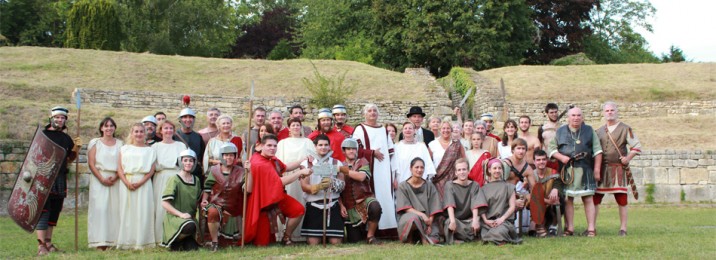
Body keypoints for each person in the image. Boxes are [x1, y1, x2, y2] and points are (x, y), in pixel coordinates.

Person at [244, 134, 312, 246]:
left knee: (298, 210)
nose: (272, 148)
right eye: (269, 145)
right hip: (264, 203)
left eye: (275, 146)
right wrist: (300, 172)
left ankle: (286, 237)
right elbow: (280, 182)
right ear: (261, 146)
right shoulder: (260, 163)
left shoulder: (272, 159)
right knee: (262, 244)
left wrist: (302, 160)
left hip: (277, 196)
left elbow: (285, 167)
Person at [548, 106, 602, 237]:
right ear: (568, 118)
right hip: (567, 171)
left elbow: (598, 151)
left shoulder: (589, 130)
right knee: (568, 199)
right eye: (573, 115)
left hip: (585, 168)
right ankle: (569, 228)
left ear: (582, 117)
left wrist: (597, 169)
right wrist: (562, 157)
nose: (576, 118)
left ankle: (591, 229)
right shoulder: (560, 131)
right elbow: (551, 149)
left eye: (578, 115)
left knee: (588, 198)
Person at [35, 106, 80, 256]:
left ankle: (48, 242)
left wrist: (75, 149)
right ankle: (41, 245)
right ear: (51, 118)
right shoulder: (42, 135)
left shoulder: (66, 138)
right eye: (57, 117)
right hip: (43, 177)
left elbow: (68, 160)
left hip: (59, 177)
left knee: (54, 210)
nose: (60, 120)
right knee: (43, 210)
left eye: (62, 118)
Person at [595, 101, 641, 236]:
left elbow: (636, 146)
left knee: (622, 199)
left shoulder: (626, 129)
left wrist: (628, 158)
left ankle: (623, 229)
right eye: (607, 111)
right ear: (604, 113)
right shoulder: (598, 131)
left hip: (618, 170)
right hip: (601, 170)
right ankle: (592, 228)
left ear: (616, 111)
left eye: (612, 110)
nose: (610, 113)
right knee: (595, 199)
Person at [351, 104, 397, 234]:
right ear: (365, 114)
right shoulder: (360, 129)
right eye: (369, 111)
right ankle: (372, 230)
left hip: (384, 170)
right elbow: (354, 149)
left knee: (386, 196)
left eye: (374, 111)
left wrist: (393, 175)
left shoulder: (384, 130)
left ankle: (388, 228)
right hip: (369, 169)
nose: (372, 113)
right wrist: (371, 153)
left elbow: (391, 151)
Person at [299, 135, 347, 245]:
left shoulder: (337, 163)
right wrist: (319, 187)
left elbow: (343, 185)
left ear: (330, 147)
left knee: (336, 242)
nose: (323, 147)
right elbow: (304, 187)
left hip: (332, 205)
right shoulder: (306, 164)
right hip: (314, 205)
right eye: (320, 145)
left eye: (326, 145)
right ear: (315, 147)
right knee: (313, 243)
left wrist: (333, 183)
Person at [116, 123, 157, 250]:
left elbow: (151, 170)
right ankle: (127, 241)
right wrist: (126, 182)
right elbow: (119, 168)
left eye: (141, 131)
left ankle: (142, 241)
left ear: (145, 134)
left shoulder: (150, 150)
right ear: (132, 133)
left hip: (143, 182)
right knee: (127, 211)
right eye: (136, 131)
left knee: (143, 211)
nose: (139, 134)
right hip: (127, 181)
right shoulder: (124, 149)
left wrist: (141, 182)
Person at [276, 118, 316, 242]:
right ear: (289, 128)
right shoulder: (282, 143)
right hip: (288, 176)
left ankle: (300, 234)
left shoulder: (308, 141)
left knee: (302, 201)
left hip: (303, 176)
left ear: (301, 127)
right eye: (293, 125)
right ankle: (283, 234)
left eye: (298, 125)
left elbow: (313, 158)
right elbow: (279, 162)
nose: (295, 127)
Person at [201, 143, 245, 251]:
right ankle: (214, 241)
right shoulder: (214, 170)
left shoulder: (241, 171)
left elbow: (247, 189)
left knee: (230, 242)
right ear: (221, 156)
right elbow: (207, 187)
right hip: (216, 203)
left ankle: (231, 237)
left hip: (234, 205)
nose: (228, 158)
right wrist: (204, 200)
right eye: (226, 155)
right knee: (212, 212)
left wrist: (250, 170)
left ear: (235, 157)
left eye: (231, 155)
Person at [339, 138, 383, 244]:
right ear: (343, 151)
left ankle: (370, 236)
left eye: (354, 149)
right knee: (354, 240)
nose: (351, 151)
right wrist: (341, 205)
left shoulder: (362, 162)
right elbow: (338, 189)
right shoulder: (340, 165)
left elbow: (361, 177)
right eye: (348, 149)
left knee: (375, 207)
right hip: (349, 205)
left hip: (364, 199)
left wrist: (342, 169)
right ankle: (361, 231)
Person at [87, 117, 122, 250]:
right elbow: (91, 163)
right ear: (101, 128)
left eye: (111, 126)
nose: (109, 128)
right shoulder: (95, 143)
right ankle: (99, 241)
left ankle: (114, 240)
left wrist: (116, 176)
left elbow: (122, 163)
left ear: (115, 128)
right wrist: (101, 178)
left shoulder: (120, 144)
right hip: (99, 179)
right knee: (100, 210)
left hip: (115, 179)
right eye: (106, 126)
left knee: (114, 209)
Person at [151, 120, 187, 244]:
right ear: (160, 131)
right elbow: (152, 164)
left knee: (176, 205)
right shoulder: (155, 146)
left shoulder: (180, 146)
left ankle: (176, 234)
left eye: (171, 128)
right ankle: (161, 237)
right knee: (162, 206)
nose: (168, 131)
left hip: (177, 176)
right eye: (165, 128)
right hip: (161, 176)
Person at [161, 149, 201, 251]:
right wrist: (181, 215)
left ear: (194, 162)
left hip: (190, 218)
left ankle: (184, 240)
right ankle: (175, 241)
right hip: (175, 218)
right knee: (189, 226)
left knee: (192, 249)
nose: (188, 163)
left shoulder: (196, 180)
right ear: (180, 161)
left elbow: (197, 201)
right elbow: (164, 203)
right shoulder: (174, 179)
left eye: (191, 161)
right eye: (185, 160)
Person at [396, 158, 442, 244]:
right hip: (411, 220)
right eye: (416, 167)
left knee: (433, 241)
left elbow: (435, 205)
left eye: (422, 167)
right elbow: (406, 208)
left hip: (427, 221)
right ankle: (410, 238)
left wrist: (429, 222)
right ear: (411, 169)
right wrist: (422, 215)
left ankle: (424, 238)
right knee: (413, 219)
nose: (419, 170)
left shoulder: (429, 186)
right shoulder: (403, 186)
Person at [476, 158, 520, 245]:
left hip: (504, 222)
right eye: (494, 168)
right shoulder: (483, 189)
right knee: (481, 230)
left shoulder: (509, 187)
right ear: (489, 170)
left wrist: (501, 219)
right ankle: (493, 238)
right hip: (488, 222)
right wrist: (486, 221)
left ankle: (493, 238)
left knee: (500, 231)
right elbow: (481, 207)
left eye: (499, 168)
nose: (497, 170)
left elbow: (512, 207)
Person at [503, 138, 537, 234]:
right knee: (515, 202)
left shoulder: (527, 168)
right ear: (513, 150)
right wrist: (513, 198)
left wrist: (529, 198)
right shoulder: (506, 163)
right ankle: (506, 226)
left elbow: (534, 188)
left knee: (532, 198)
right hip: (501, 194)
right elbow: (499, 185)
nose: (521, 151)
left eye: (523, 149)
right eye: (518, 148)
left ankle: (533, 225)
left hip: (514, 193)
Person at [444, 159, 481, 244]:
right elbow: (450, 204)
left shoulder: (474, 185)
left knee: (479, 222)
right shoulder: (449, 185)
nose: (462, 172)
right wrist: (453, 221)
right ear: (456, 173)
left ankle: (465, 238)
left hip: (469, 220)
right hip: (456, 219)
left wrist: (475, 220)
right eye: (459, 170)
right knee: (448, 223)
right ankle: (458, 240)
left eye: (464, 169)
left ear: (468, 171)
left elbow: (475, 204)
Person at [429, 121, 466, 199]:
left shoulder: (457, 144)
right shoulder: (433, 144)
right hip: (438, 179)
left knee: (453, 201)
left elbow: (464, 160)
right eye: (443, 128)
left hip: (454, 179)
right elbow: (428, 163)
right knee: (439, 202)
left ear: (451, 130)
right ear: (440, 129)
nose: (446, 130)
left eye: (448, 128)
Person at [532, 149, 563, 237]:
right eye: (538, 160)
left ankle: (553, 226)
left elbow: (559, 181)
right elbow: (531, 193)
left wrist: (555, 189)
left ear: (547, 160)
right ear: (534, 162)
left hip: (551, 203)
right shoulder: (531, 174)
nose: (541, 162)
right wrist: (547, 201)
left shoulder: (553, 172)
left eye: (543, 159)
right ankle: (538, 226)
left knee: (562, 200)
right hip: (535, 204)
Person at [176, 107, 206, 185]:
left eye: (190, 117)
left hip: (195, 174)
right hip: (178, 174)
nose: (188, 120)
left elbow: (202, 156)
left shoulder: (198, 137)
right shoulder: (175, 136)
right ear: (180, 119)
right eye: (185, 117)